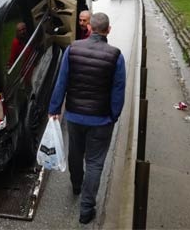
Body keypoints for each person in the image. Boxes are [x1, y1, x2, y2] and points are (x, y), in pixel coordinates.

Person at [48, 12, 126, 224]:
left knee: (75, 151)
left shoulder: (73, 49)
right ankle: (86, 209)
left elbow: (61, 82)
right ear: (108, 30)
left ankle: (76, 184)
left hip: (74, 115)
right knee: (95, 163)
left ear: (90, 27)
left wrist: (54, 108)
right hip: (101, 120)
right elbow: (118, 91)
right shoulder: (116, 56)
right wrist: (113, 116)